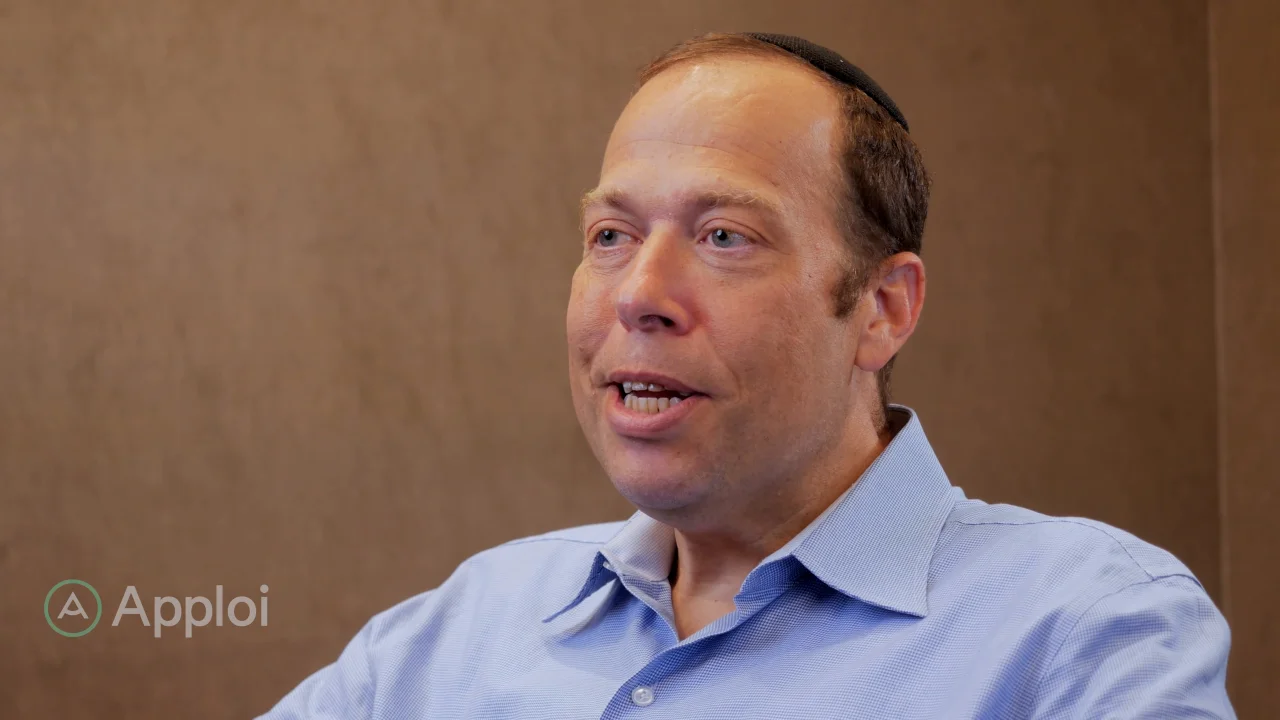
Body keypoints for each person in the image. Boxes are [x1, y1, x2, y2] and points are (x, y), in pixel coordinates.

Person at [260, 32, 1235, 719]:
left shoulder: (1085, 631)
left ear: (882, 308)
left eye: (724, 236)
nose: (639, 294)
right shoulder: (455, 634)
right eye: (610, 235)